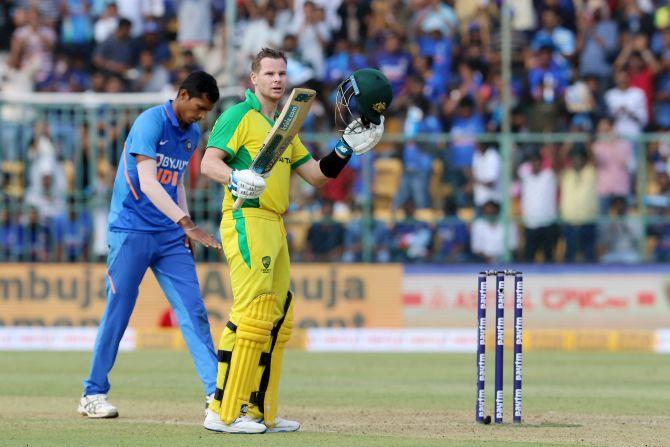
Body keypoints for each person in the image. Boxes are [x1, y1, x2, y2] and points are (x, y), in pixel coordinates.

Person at [200, 48, 391, 433]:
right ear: (253, 79)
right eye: (269, 73)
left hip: (274, 222)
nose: (277, 79)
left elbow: (318, 176)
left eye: (282, 72)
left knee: (278, 316)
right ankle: (223, 411)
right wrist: (235, 179)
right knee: (253, 311)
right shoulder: (238, 115)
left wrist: (345, 148)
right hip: (244, 217)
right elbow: (209, 162)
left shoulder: (286, 126)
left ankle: (260, 411)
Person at [79, 71, 222, 418]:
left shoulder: (191, 133)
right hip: (131, 229)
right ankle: (92, 394)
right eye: (199, 108)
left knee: (194, 312)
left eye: (206, 112)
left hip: (170, 235)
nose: (201, 116)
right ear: (183, 95)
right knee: (119, 310)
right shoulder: (150, 122)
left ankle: (216, 396)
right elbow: (148, 182)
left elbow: (176, 185)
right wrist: (186, 222)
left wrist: (183, 227)